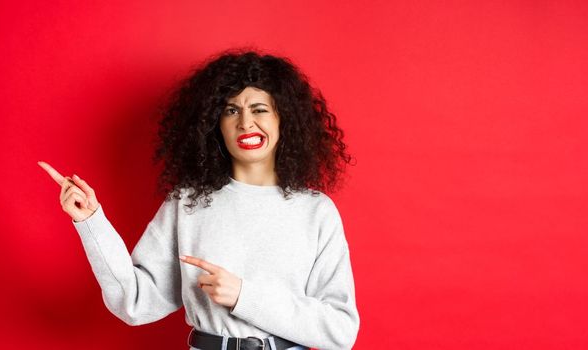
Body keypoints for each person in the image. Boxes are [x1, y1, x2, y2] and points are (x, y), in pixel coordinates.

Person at [38, 49, 359, 349]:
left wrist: (244, 296)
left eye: (259, 109)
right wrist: (91, 221)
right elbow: (133, 301)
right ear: (214, 125)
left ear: (283, 120)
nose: (245, 122)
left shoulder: (316, 212)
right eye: (231, 111)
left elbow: (340, 329)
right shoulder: (188, 203)